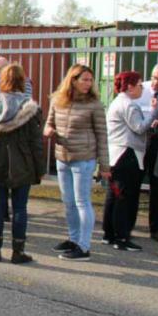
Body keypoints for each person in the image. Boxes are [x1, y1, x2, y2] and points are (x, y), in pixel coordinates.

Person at [0, 63, 45, 263]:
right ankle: (18, 251)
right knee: (20, 208)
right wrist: (40, 169)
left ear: (2, 80)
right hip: (22, 163)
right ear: (22, 81)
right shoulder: (29, 107)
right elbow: (36, 143)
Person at [44, 64, 110, 261]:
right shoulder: (57, 100)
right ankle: (73, 239)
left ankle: (84, 246)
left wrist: (104, 165)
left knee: (82, 202)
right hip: (62, 157)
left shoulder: (95, 104)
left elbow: (102, 135)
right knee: (68, 202)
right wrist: (48, 130)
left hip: (84, 159)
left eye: (91, 80)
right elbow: (49, 122)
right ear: (73, 80)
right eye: (85, 79)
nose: (89, 84)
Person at [102, 72, 155, 252]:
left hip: (116, 154)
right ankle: (122, 237)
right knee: (126, 197)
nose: (142, 88)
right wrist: (153, 113)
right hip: (128, 154)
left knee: (114, 196)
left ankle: (109, 234)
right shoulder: (129, 105)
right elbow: (139, 127)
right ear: (130, 86)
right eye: (140, 85)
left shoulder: (117, 102)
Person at [140, 64, 158, 243]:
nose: (156, 83)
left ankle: (156, 228)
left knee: (157, 185)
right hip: (141, 137)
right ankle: (125, 225)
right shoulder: (141, 89)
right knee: (134, 181)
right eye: (154, 77)